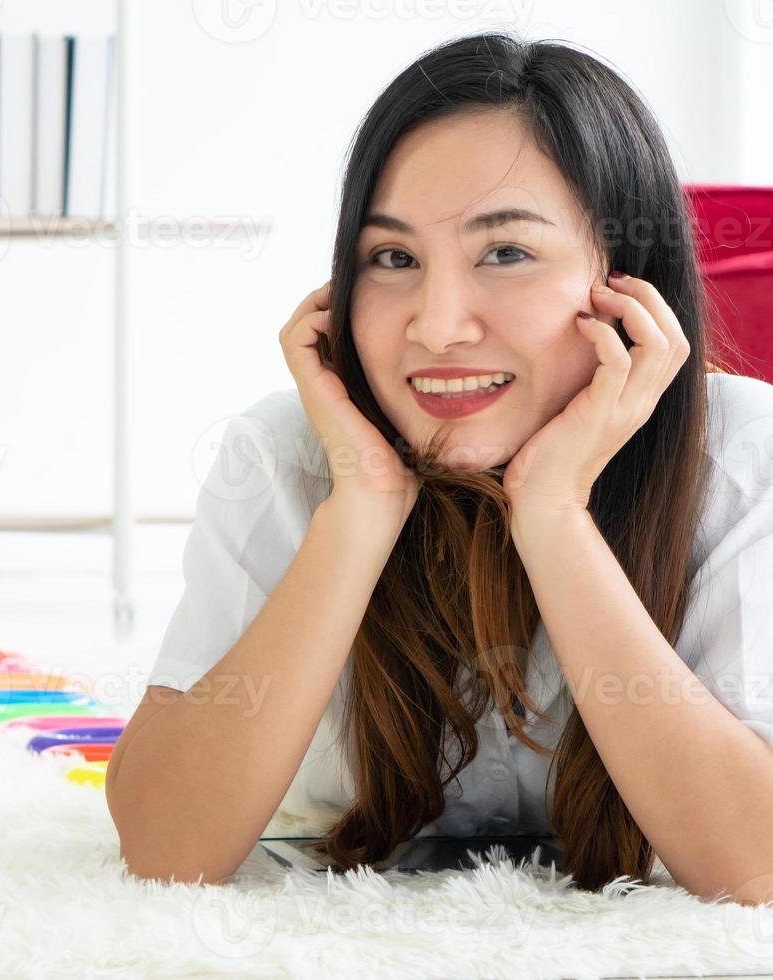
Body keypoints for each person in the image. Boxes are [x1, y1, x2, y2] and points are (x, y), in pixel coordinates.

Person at [106, 30, 773, 904]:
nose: (436, 325)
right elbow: (167, 848)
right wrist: (361, 506)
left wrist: (554, 515)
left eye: (506, 253)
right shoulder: (288, 452)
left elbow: (752, 866)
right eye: (394, 259)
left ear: (625, 284)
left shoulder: (739, 453)